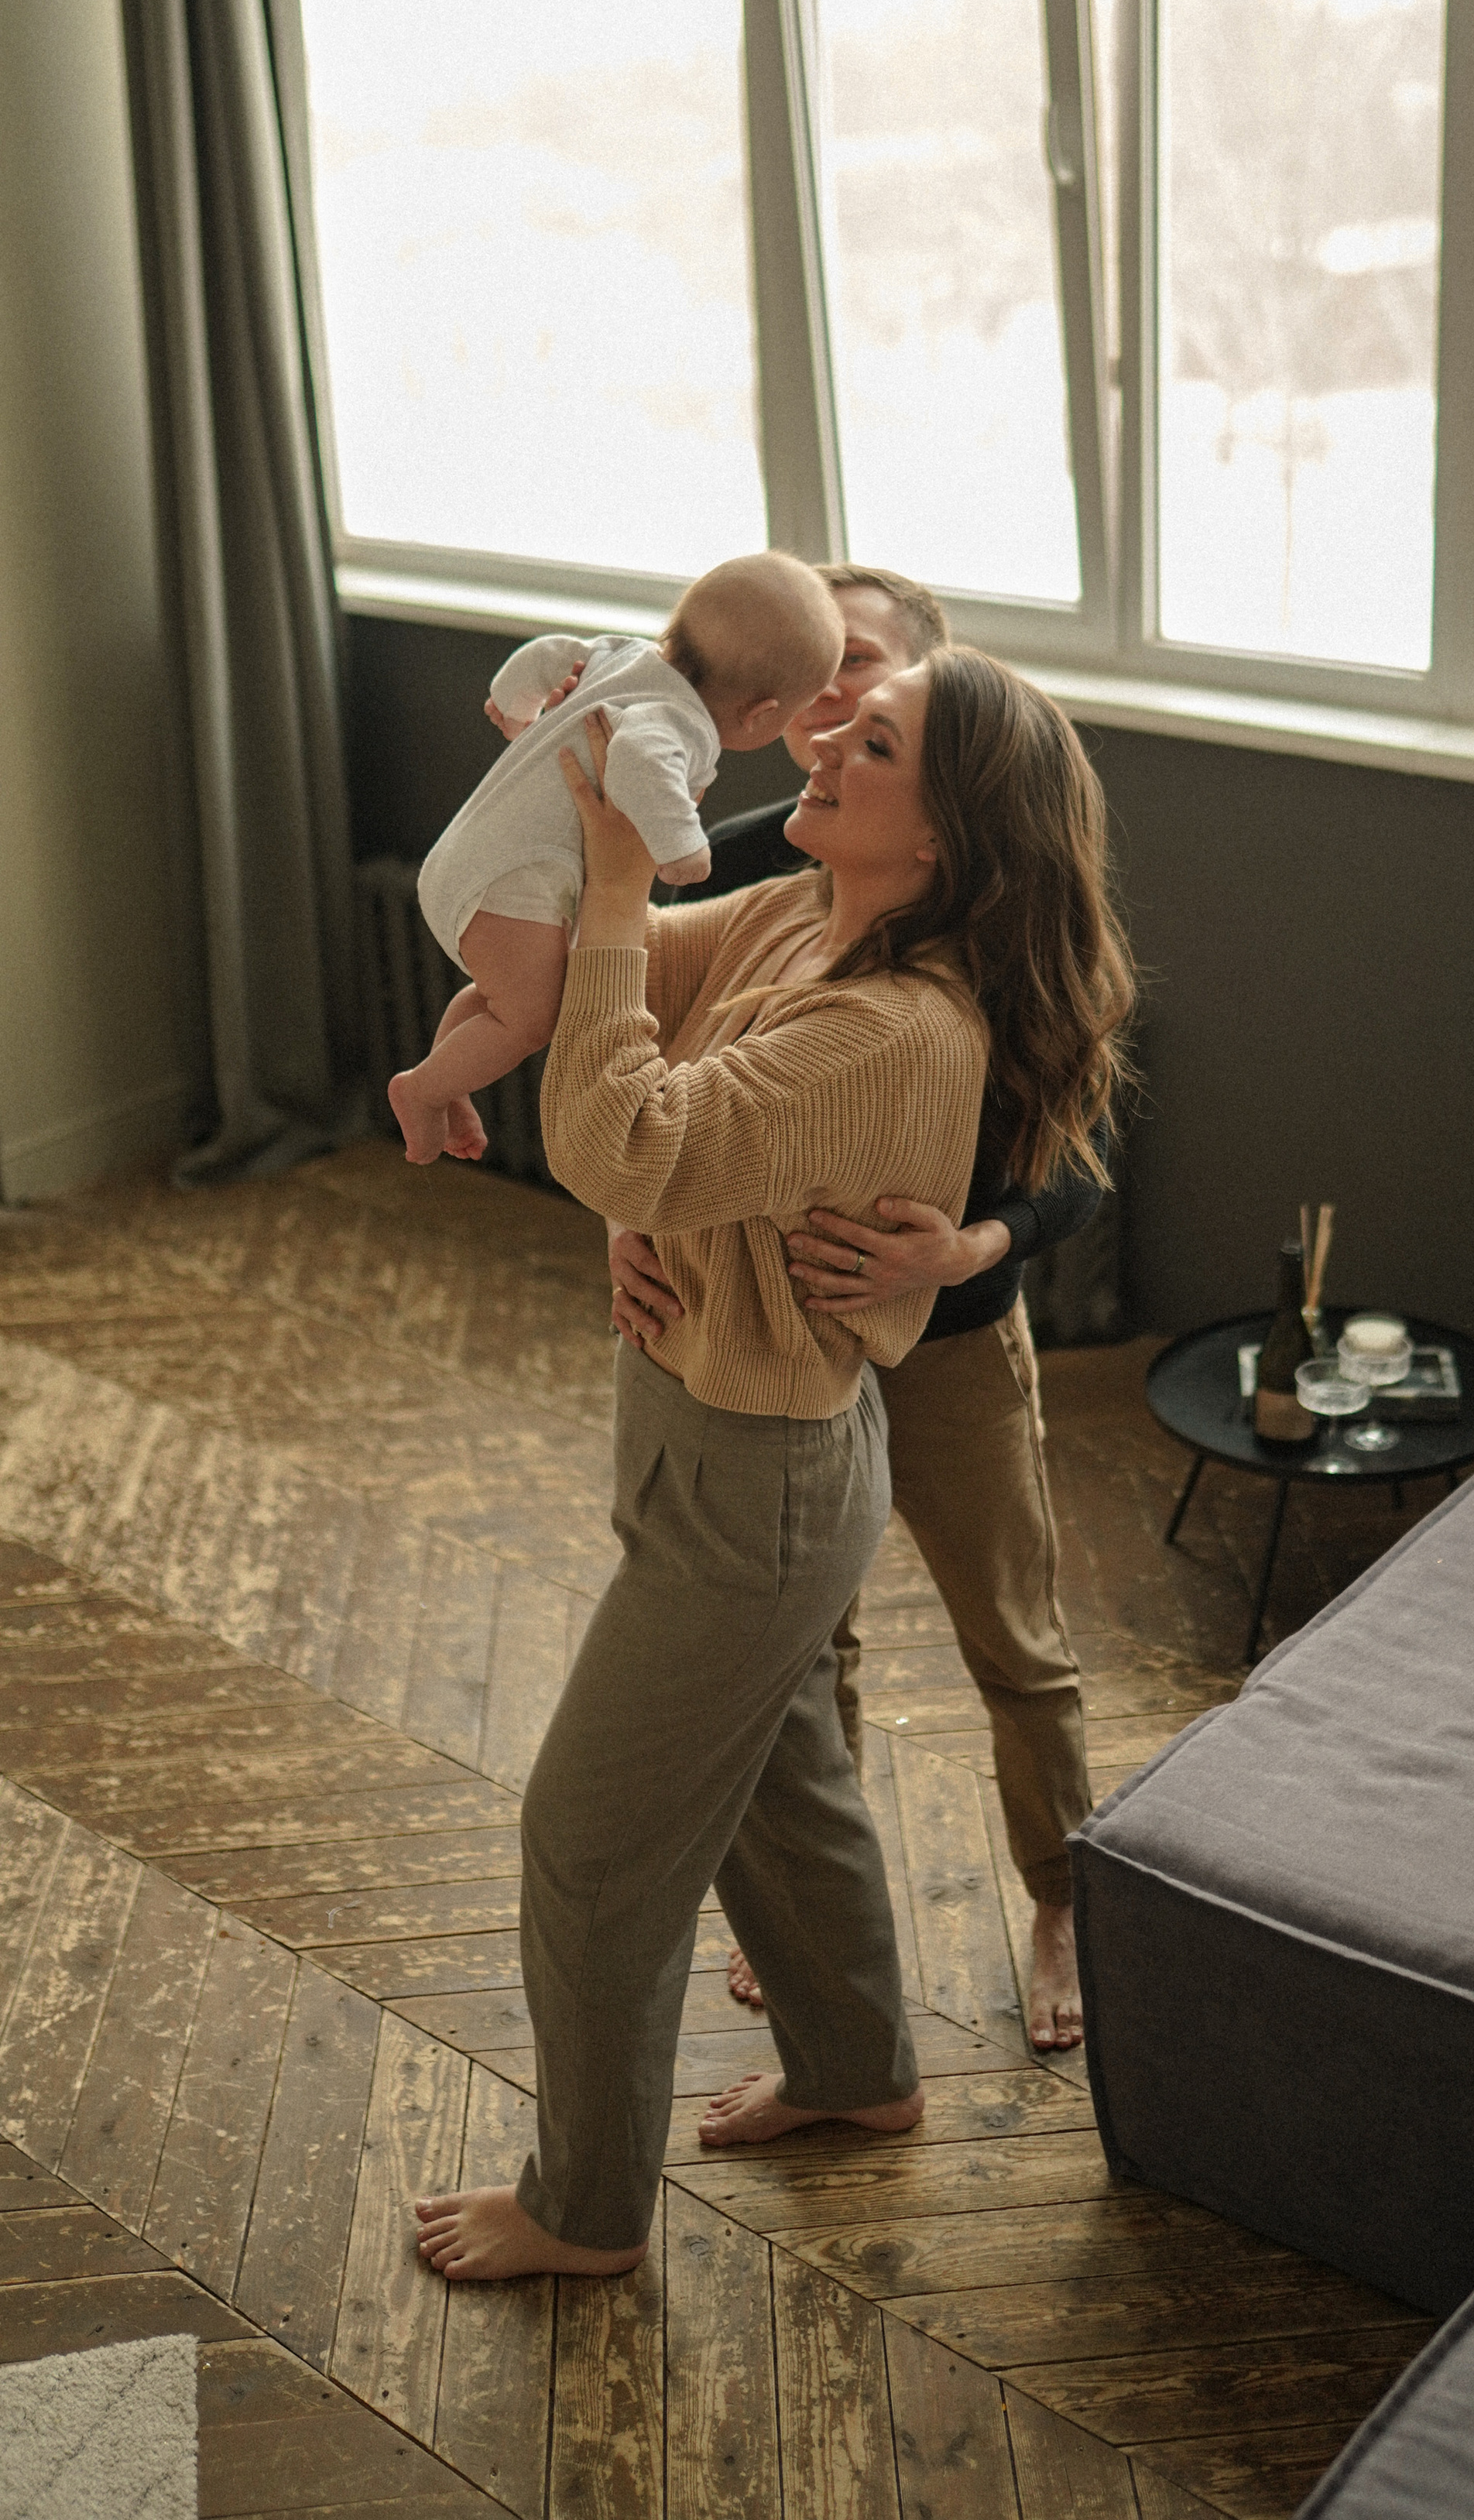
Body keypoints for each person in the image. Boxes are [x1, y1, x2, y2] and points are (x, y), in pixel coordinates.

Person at [413, 646, 1132, 2283]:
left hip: (754, 1486)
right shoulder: (807, 919)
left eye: (868, 740)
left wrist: (602, 909)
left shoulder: (893, 1027)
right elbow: (616, 1006)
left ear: (941, 836)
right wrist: (555, 818)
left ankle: (584, 2211)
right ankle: (860, 2074)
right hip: (728, 1450)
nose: (821, 739)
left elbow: (621, 1127)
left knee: (585, 1851)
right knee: (776, 1793)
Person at [610, 565, 1116, 2050]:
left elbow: (1077, 1165)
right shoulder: (780, 861)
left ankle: (1068, 1893)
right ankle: (826, 1918)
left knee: (1011, 1636)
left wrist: (962, 1253)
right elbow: (665, 1073)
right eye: (821, 687)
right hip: (788, 1347)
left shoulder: (986, 914)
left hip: (951, 1340)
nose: (825, 719)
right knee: (802, 1643)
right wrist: (633, 1221)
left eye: (870, 693)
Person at [389, 553, 843, 1164]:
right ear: (761, 714)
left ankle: (450, 1082)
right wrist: (681, 850)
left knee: (505, 997)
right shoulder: (682, 720)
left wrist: (514, 701)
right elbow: (638, 759)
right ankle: (423, 1089)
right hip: (512, 883)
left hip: (469, 863)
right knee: (531, 1020)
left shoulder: (623, 654)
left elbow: (551, 653)